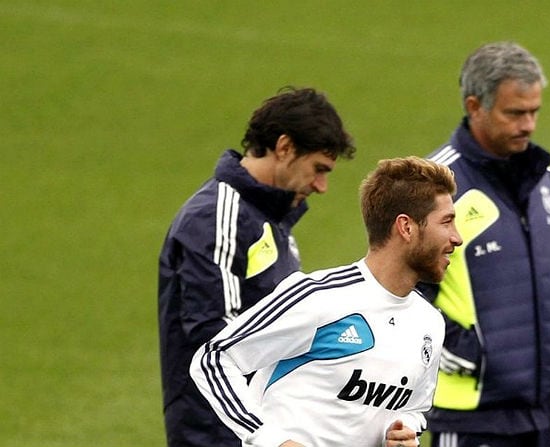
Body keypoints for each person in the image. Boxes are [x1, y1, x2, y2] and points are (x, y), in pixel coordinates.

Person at [189, 156, 464, 447]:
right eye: (446, 222)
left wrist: (402, 431)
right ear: (406, 227)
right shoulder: (319, 298)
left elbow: (414, 408)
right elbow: (214, 359)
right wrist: (273, 440)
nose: (457, 238)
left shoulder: (429, 322)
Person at [158, 87, 356, 447]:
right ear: (284, 148)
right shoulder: (217, 217)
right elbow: (214, 340)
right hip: (222, 433)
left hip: (263, 427)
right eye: (318, 169)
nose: (322, 186)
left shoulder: (270, 221)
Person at [420, 42, 550, 447]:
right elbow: (402, 290)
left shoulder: (544, 181)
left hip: (542, 408)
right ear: (475, 105)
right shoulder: (436, 187)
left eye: (534, 112)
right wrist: (469, 355)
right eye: (515, 113)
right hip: (471, 416)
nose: (528, 125)